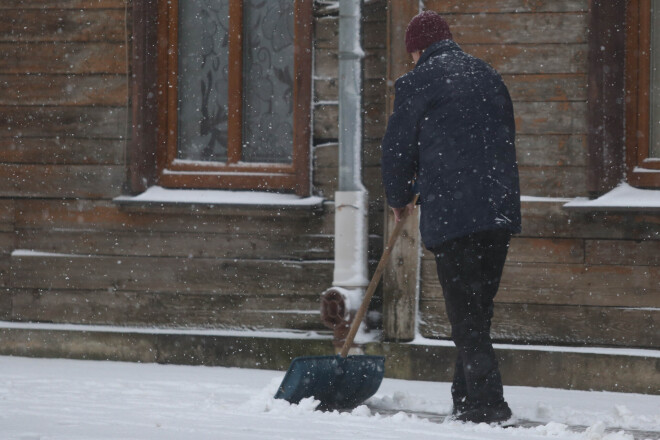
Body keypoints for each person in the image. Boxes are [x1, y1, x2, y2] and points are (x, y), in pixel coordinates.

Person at [380, 11, 522, 424]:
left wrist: (399, 196)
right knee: (477, 310)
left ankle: (487, 405)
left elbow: (396, 148)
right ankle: (465, 399)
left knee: (467, 315)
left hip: (455, 212)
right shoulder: (488, 75)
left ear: (418, 49)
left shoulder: (417, 82)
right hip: (498, 210)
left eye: (411, 53)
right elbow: (498, 138)